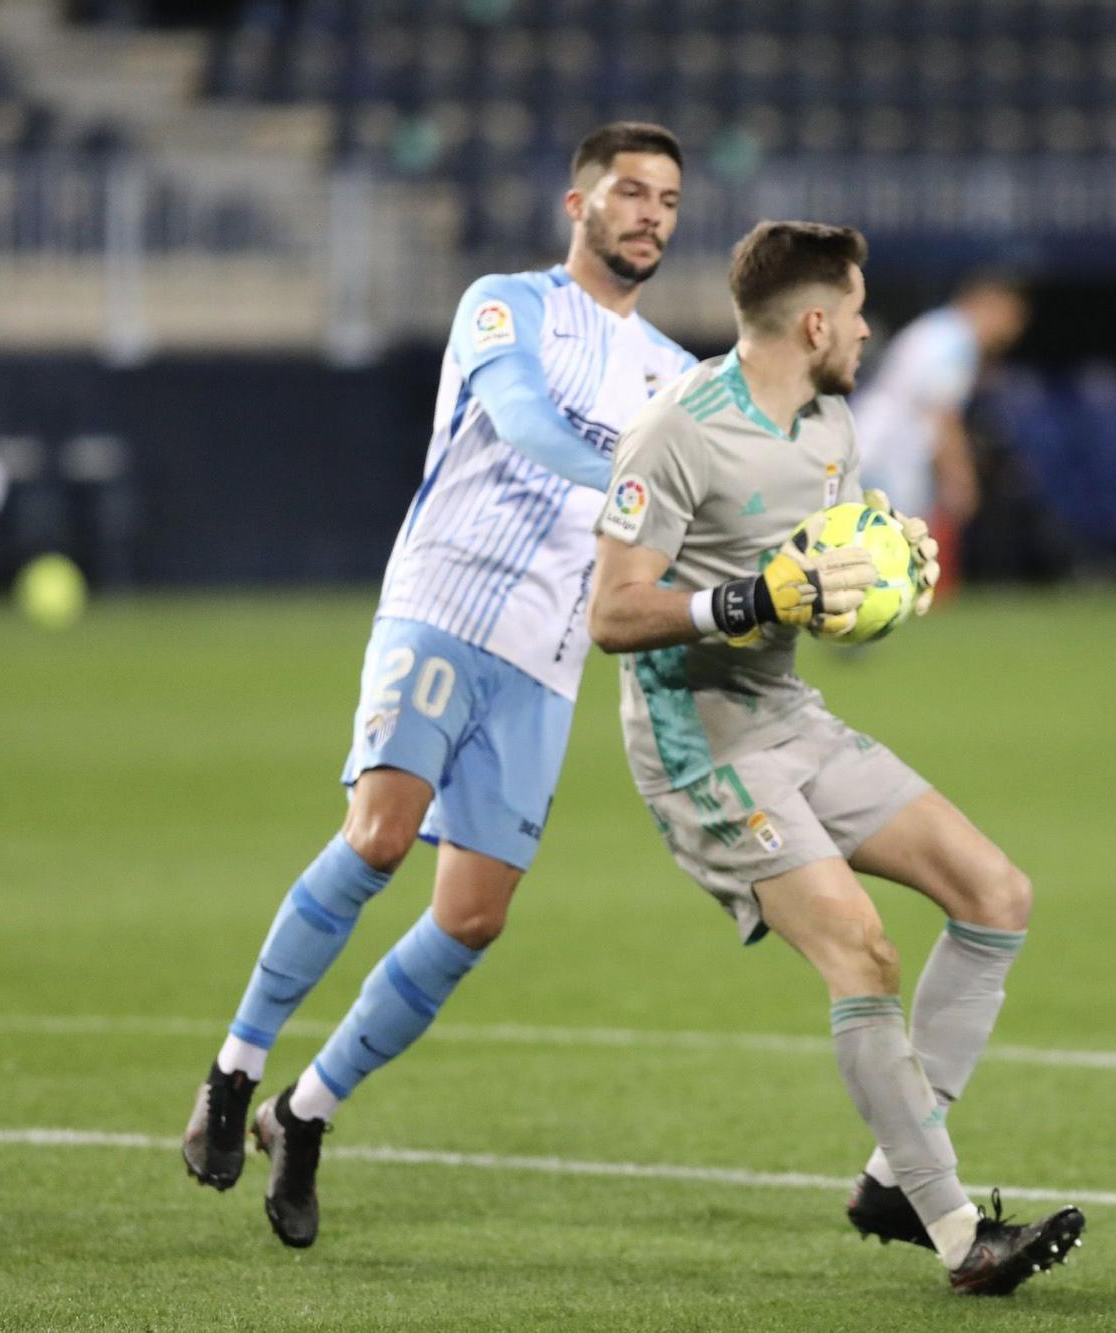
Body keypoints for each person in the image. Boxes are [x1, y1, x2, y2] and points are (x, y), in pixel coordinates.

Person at [181, 123, 695, 1248]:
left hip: (547, 656)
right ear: (577, 203)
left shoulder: (678, 375)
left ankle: (303, 1112)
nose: (650, 212)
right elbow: (519, 422)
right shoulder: (502, 303)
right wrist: (634, 480)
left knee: (472, 915)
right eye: (628, 191)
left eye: (666, 198)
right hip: (444, 604)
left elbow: (717, 499)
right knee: (377, 834)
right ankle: (234, 1066)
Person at [586, 221, 1085, 1296]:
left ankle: (890, 1177)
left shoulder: (832, 425)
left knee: (995, 893)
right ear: (814, 321)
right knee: (861, 953)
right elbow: (612, 614)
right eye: (856, 314)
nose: (866, 333)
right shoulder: (674, 430)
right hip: (698, 745)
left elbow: (819, 588)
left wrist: (887, 572)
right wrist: (746, 599)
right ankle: (957, 1231)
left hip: (786, 716)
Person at [850, 275, 1029, 599]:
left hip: (882, 443)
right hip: (886, 451)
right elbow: (942, 413)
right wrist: (959, 478)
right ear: (988, 305)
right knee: (885, 548)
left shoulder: (939, 330)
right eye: (1011, 316)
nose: (1013, 330)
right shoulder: (953, 339)